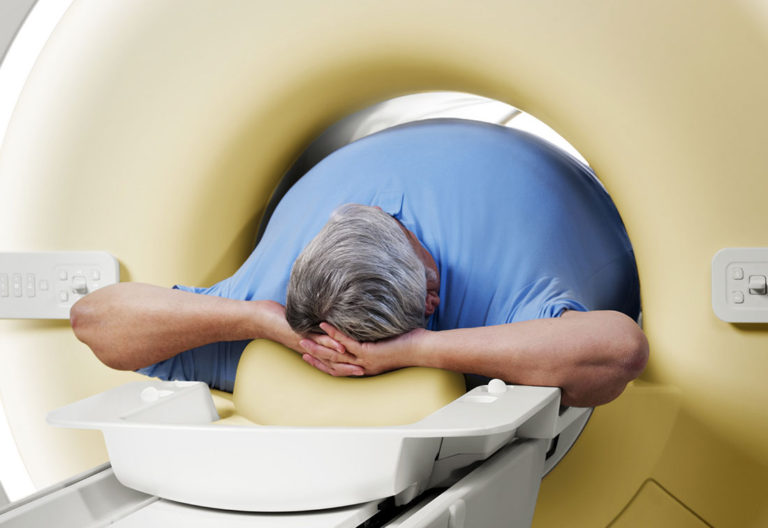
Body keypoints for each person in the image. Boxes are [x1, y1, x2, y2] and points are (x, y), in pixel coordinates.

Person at [70, 120, 648, 407]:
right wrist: (257, 319)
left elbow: (621, 350)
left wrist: (417, 350)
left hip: (571, 189)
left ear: (430, 297)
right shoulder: (275, 301)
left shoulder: (507, 294)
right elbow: (92, 319)